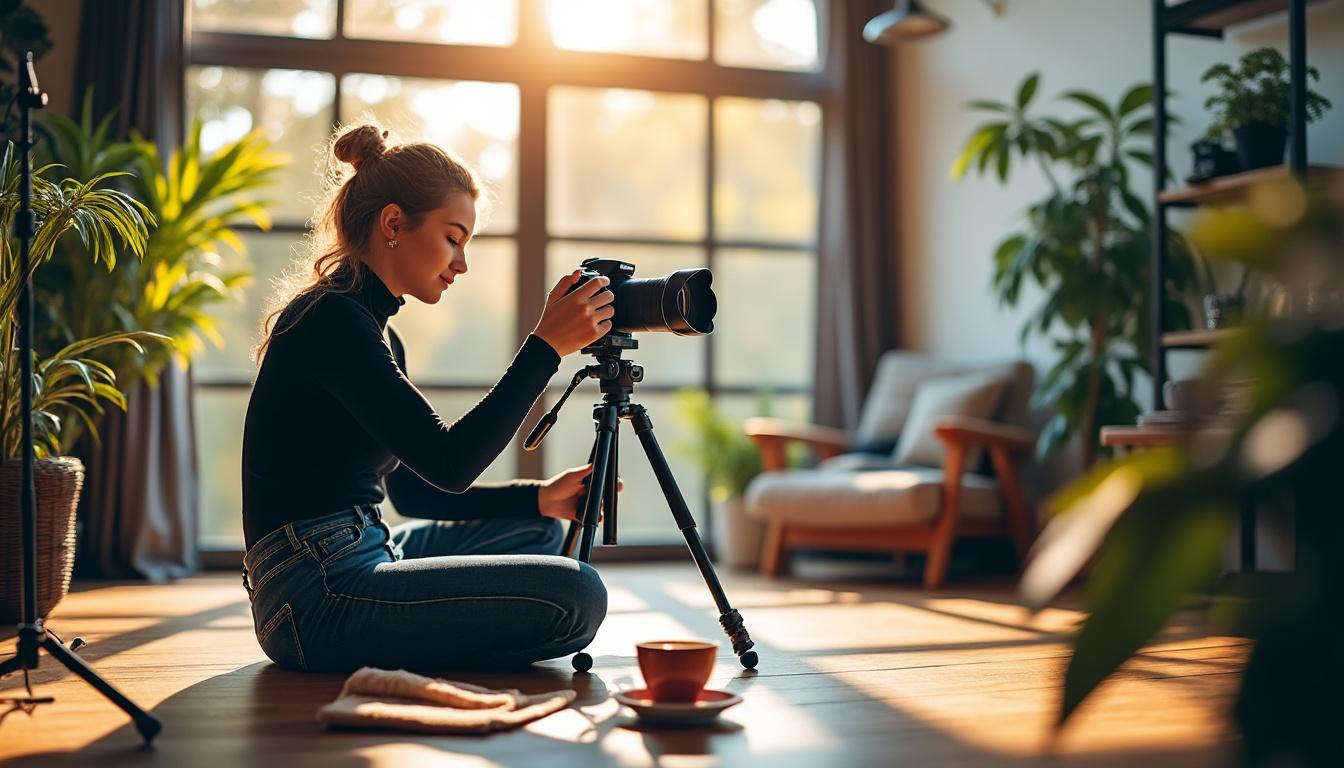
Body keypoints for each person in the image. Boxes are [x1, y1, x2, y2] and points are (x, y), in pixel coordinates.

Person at [238, 124, 615, 672]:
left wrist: (540, 495)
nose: (462, 263)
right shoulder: (332, 320)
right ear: (394, 223)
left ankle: (424, 632)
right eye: (453, 237)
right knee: (578, 595)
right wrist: (546, 348)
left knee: (541, 529)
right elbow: (451, 462)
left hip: (364, 547)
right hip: (313, 594)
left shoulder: (373, 330)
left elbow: (416, 494)